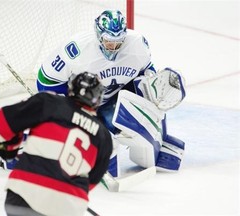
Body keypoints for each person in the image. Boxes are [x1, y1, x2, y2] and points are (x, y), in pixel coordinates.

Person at [37, 10, 186, 177]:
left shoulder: (137, 44)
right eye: (109, 42)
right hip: (82, 104)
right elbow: (46, 79)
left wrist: (153, 84)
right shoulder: (77, 49)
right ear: (99, 35)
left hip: (112, 101)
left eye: (118, 42)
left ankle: (158, 142)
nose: (113, 48)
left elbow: (146, 71)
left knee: (147, 96)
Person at [0, 72, 112, 216]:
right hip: (68, 206)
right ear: (98, 98)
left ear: (70, 89)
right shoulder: (104, 136)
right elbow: (91, 182)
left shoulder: (49, 102)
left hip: (24, 196)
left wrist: (10, 148)